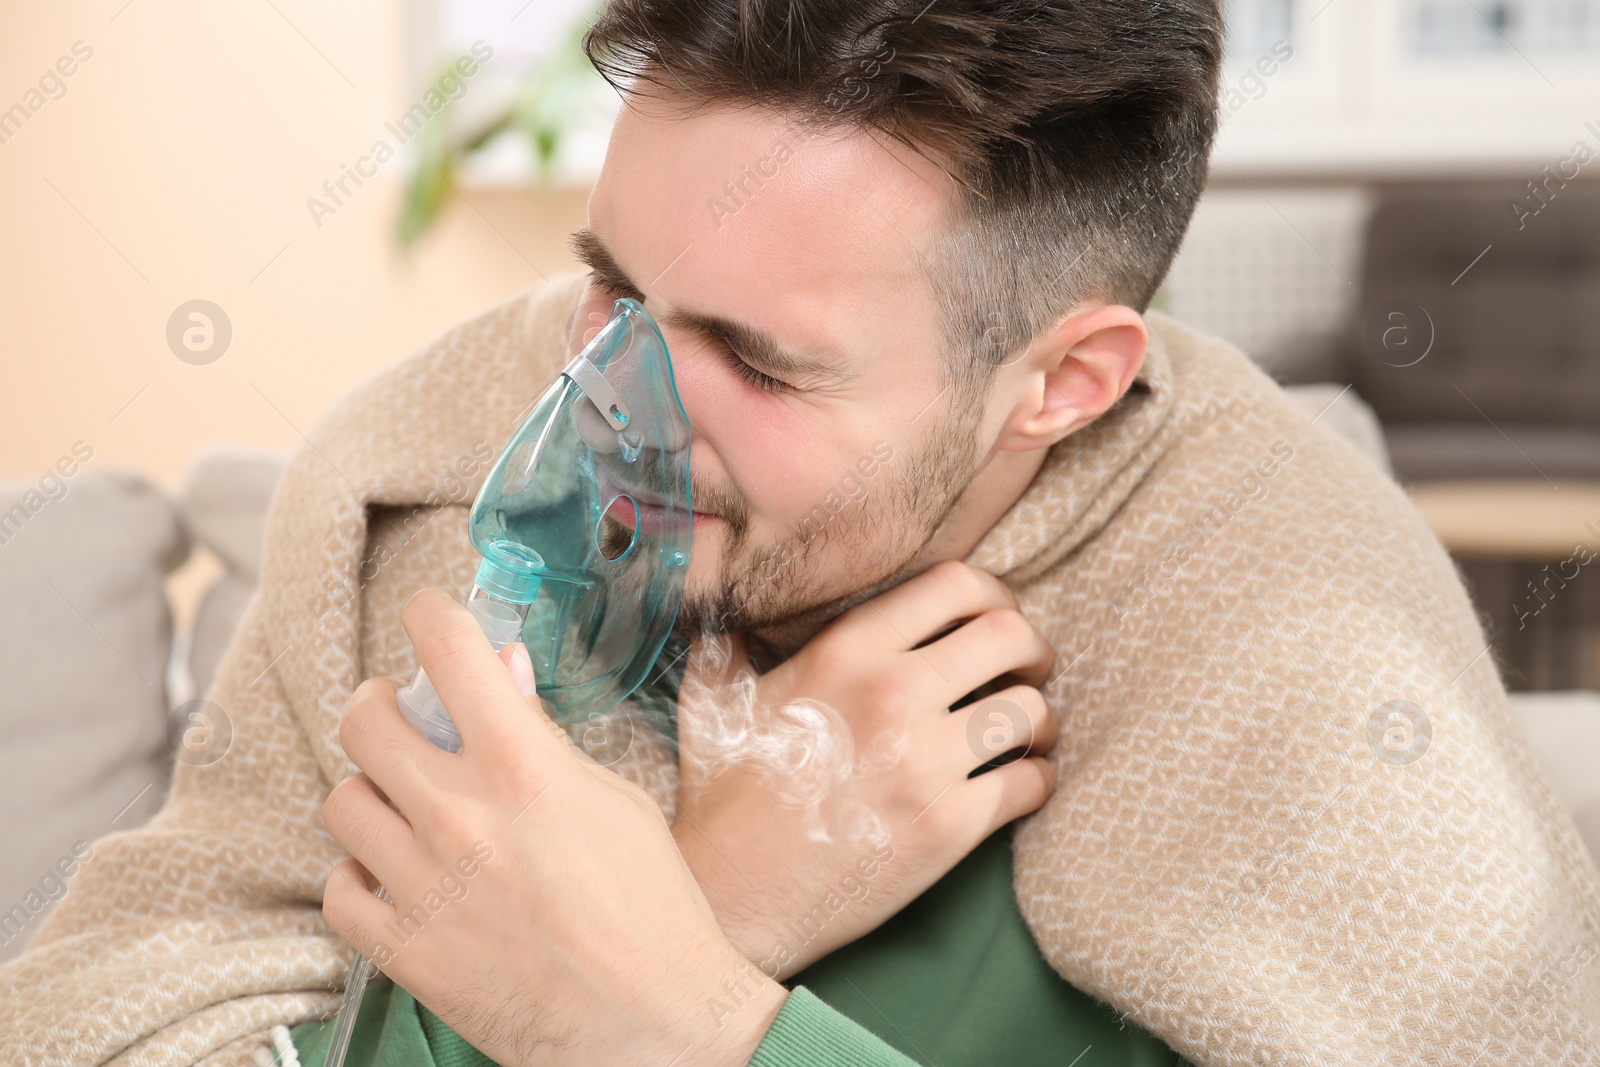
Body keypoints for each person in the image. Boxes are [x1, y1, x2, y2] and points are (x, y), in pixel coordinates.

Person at [7, 1, 1600, 1064]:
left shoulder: (1295, 639)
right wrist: (722, 888)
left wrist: (686, 1013)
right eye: (615, 288)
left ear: (1061, 382)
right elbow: (114, 1009)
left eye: (761, 363)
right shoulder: (417, 475)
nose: (609, 404)